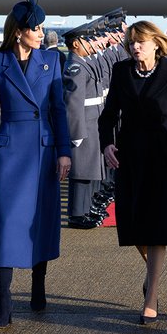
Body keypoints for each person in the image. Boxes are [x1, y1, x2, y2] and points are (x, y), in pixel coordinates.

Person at [0, 0, 72, 329]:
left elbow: (58, 109)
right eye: (36, 28)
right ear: (19, 31)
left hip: (43, 152)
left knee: (40, 220)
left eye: (43, 28)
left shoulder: (52, 61)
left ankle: (38, 288)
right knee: (8, 223)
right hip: (11, 152)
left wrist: (63, 152)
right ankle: (3, 304)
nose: (42, 34)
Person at [98, 20, 167, 326]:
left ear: (156, 43)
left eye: (140, 42)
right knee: (132, 224)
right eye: (131, 43)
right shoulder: (122, 71)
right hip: (130, 157)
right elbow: (108, 116)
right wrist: (106, 145)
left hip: (164, 157)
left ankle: (150, 296)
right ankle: (151, 274)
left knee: (158, 226)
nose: (135, 47)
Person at [62, 28, 109, 228]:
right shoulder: (75, 66)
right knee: (81, 172)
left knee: (90, 169)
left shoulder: (83, 63)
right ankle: (77, 214)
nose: (91, 44)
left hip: (93, 120)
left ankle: (86, 208)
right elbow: (73, 103)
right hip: (84, 123)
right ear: (75, 44)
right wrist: (76, 132)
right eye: (86, 41)